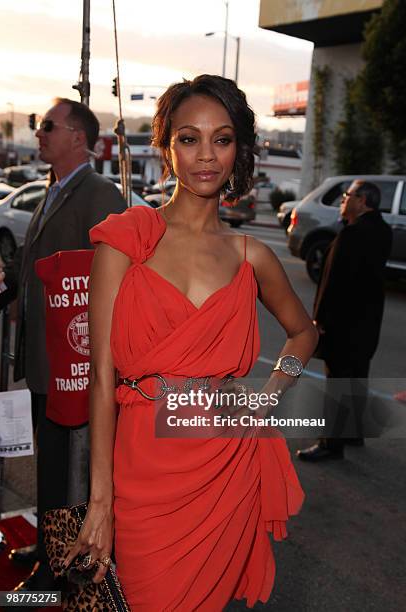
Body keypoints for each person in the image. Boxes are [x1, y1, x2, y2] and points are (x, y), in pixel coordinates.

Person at [66, 75, 318, 610]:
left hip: (224, 463)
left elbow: (304, 332)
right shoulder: (127, 240)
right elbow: (101, 376)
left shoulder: (252, 256)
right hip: (141, 469)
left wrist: (266, 399)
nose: (207, 155)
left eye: (222, 139)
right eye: (189, 138)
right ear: (165, 146)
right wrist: (100, 500)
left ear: (239, 150)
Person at [7, 98, 127, 592]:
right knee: (51, 467)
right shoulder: (55, 190)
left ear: (78, 137)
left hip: (75, 372)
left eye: (48, 126)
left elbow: (114, 284)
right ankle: (48, 546)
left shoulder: (101, 196)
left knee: (74, 475)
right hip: (44, 363)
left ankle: (61, 569)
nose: (39, 133)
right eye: (39, 126)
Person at [297, 181, 392, 462]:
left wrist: (320, 319)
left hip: (343, 323)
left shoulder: (353, 235)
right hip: (367, 322)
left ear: (361, 201)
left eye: (347, 196)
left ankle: (331, 443)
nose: (343, 200)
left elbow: (333, 284)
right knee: (356, 376)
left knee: (338, 380)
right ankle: (353, 432)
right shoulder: (382, 231)